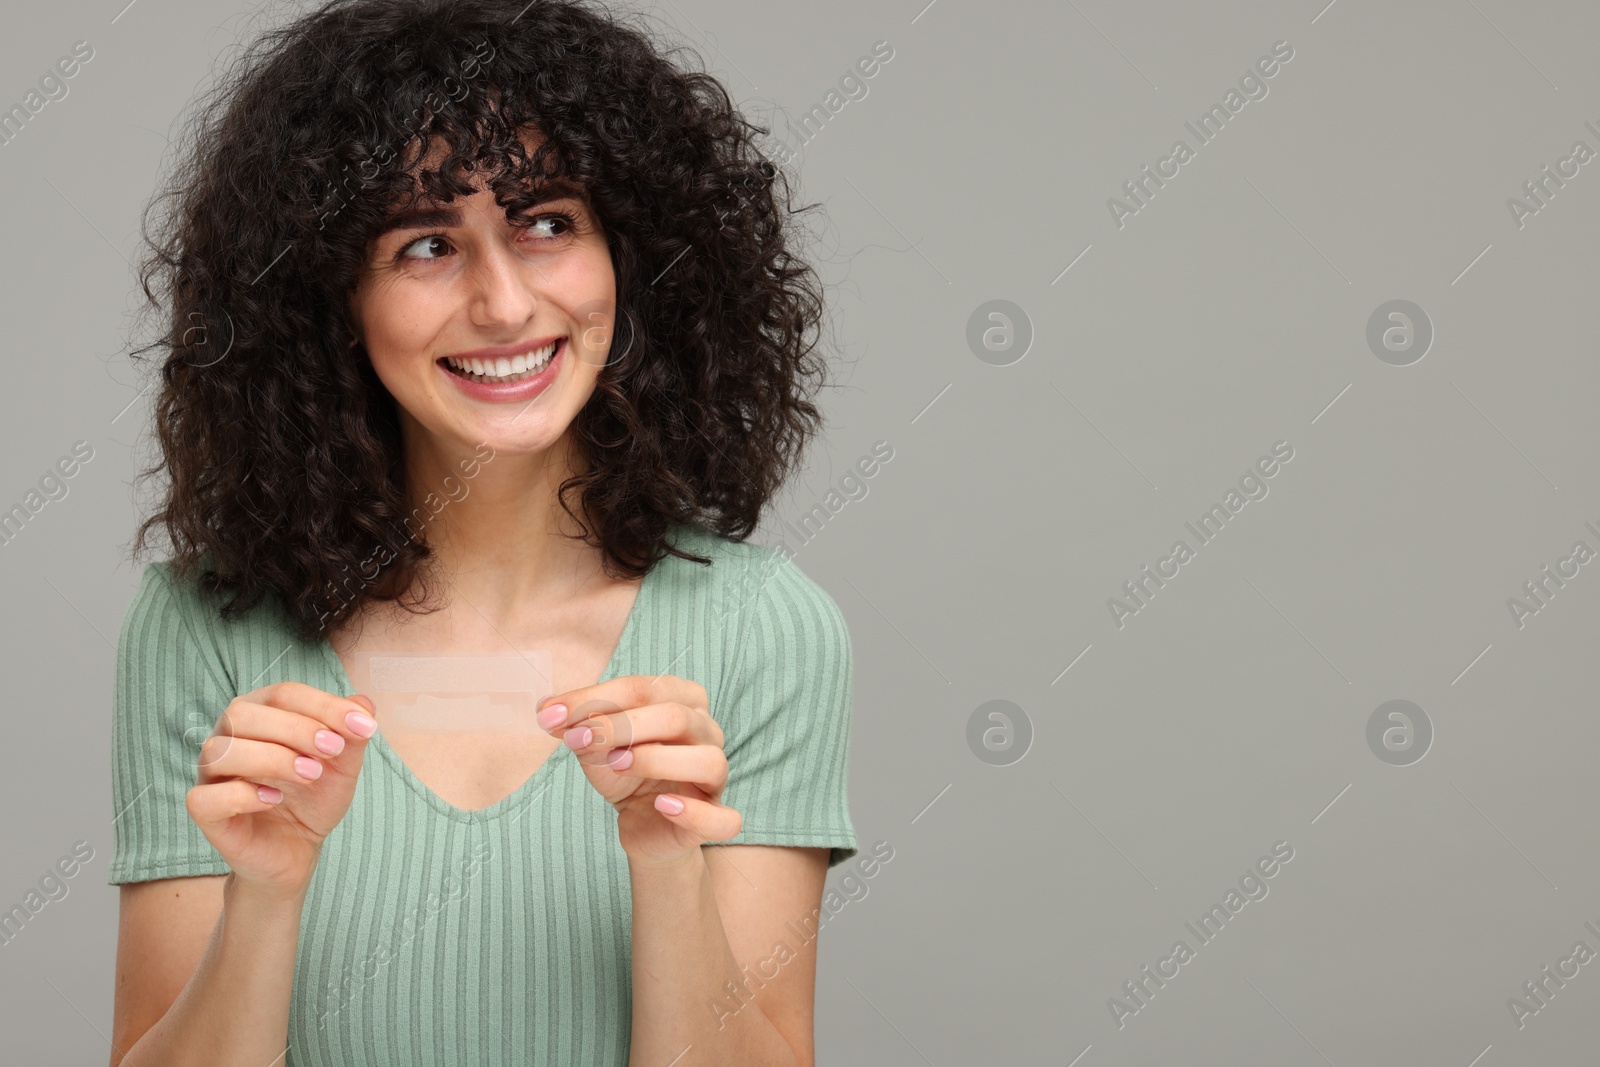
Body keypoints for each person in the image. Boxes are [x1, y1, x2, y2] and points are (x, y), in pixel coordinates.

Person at [106, 2, 856, 1064]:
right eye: (425, 244)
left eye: (547, 220)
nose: (505, 305)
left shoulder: (765, 629)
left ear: (631, 253)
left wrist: (666, 864)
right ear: (332, 300)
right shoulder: (204, 628)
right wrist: (265, 893)